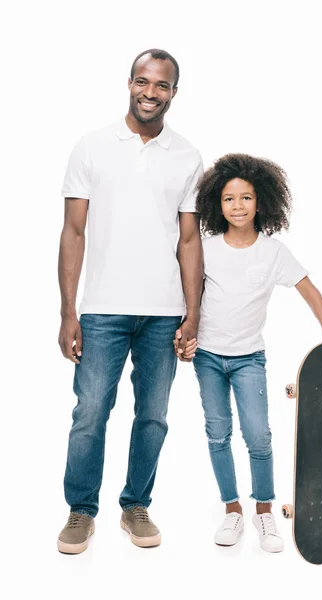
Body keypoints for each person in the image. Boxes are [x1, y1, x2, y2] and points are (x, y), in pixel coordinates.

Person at [57, 49, 203, 554]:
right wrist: (67, 311)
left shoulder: (187, 157)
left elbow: (189, 241)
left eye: (161, 85)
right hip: (101, 311)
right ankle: (80, 511)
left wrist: (193, 313)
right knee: (91, 411)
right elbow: (73, 231)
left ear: (173, 94)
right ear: (129, 83)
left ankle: (135, 505)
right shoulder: (92, 147)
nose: (150, 92)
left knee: (154, 416)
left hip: (163, 314)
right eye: (142, 81)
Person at [174, 153, 322, 552]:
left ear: (261, 202)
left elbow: (309, 289)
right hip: (209, 357)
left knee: (258, 435)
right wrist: (183, 337)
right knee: (218, 433)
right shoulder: (206, 247)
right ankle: (232, 509)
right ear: (217, 204)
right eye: (229, 199)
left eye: (246, 198)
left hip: (249, 357)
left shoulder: (273, 252)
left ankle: (263, 511)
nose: (237, 206)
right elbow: (187, 297)